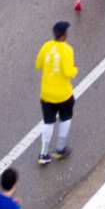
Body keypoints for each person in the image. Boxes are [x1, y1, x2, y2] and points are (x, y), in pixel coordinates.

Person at [34, 21, 77, 164]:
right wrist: (75, 69)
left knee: (48, 122)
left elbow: (38, 65)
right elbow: (68, 72)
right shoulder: (67, 50)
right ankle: (60, 149)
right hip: (63, 94)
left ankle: (43, 154)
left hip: (46, 93)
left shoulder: (46, 46)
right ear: (64, 34)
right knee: (65, 118)